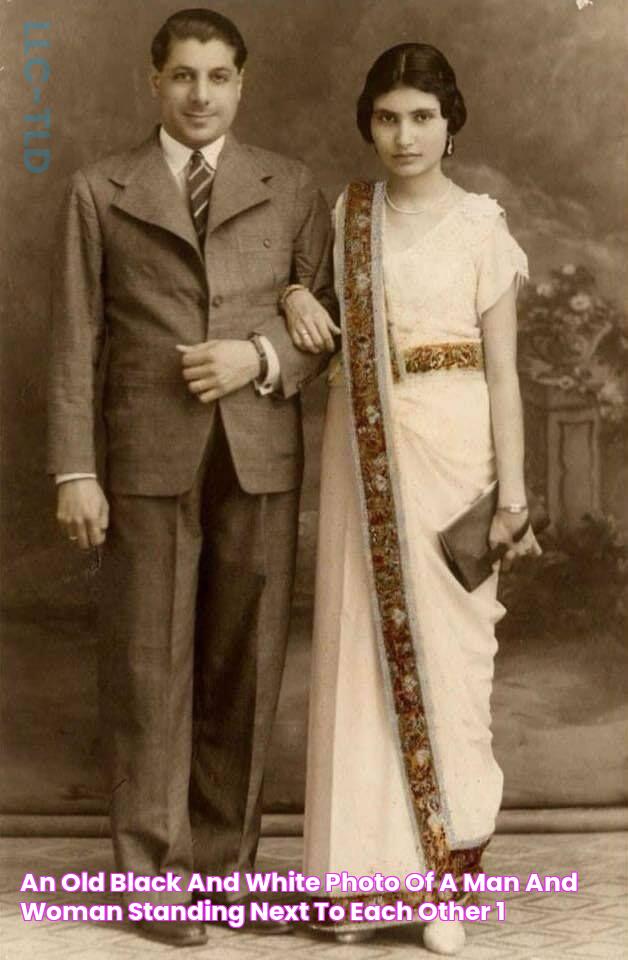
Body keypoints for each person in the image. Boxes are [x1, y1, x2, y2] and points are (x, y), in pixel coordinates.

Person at [47, 8, 334, 948]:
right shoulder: (101, 189)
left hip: (260, 457)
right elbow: (76, 337)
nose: (201, 94)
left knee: (243, 664)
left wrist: (259, 358)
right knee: (148, 665)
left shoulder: (291, 185)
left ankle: (224, 869)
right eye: (183, 76)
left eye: (218, 76)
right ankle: (150, 874)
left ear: (242, 83)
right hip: (142, 455)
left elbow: (326, 324)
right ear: (154, 81)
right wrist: (75, 468)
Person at [284, 43, 541, 956]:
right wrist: (290, 297)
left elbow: (506, 378)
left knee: (455, 671)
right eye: (389, 117)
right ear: (369, 123)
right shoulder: (348, 215)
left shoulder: (482, 224)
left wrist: (512, 495)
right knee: (361, 653)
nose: (405, 136)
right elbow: (307, 304)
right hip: (362, 458)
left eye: (423, 117)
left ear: (450, 123)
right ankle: (360, 882)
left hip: (454, 455)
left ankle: (445, 886)